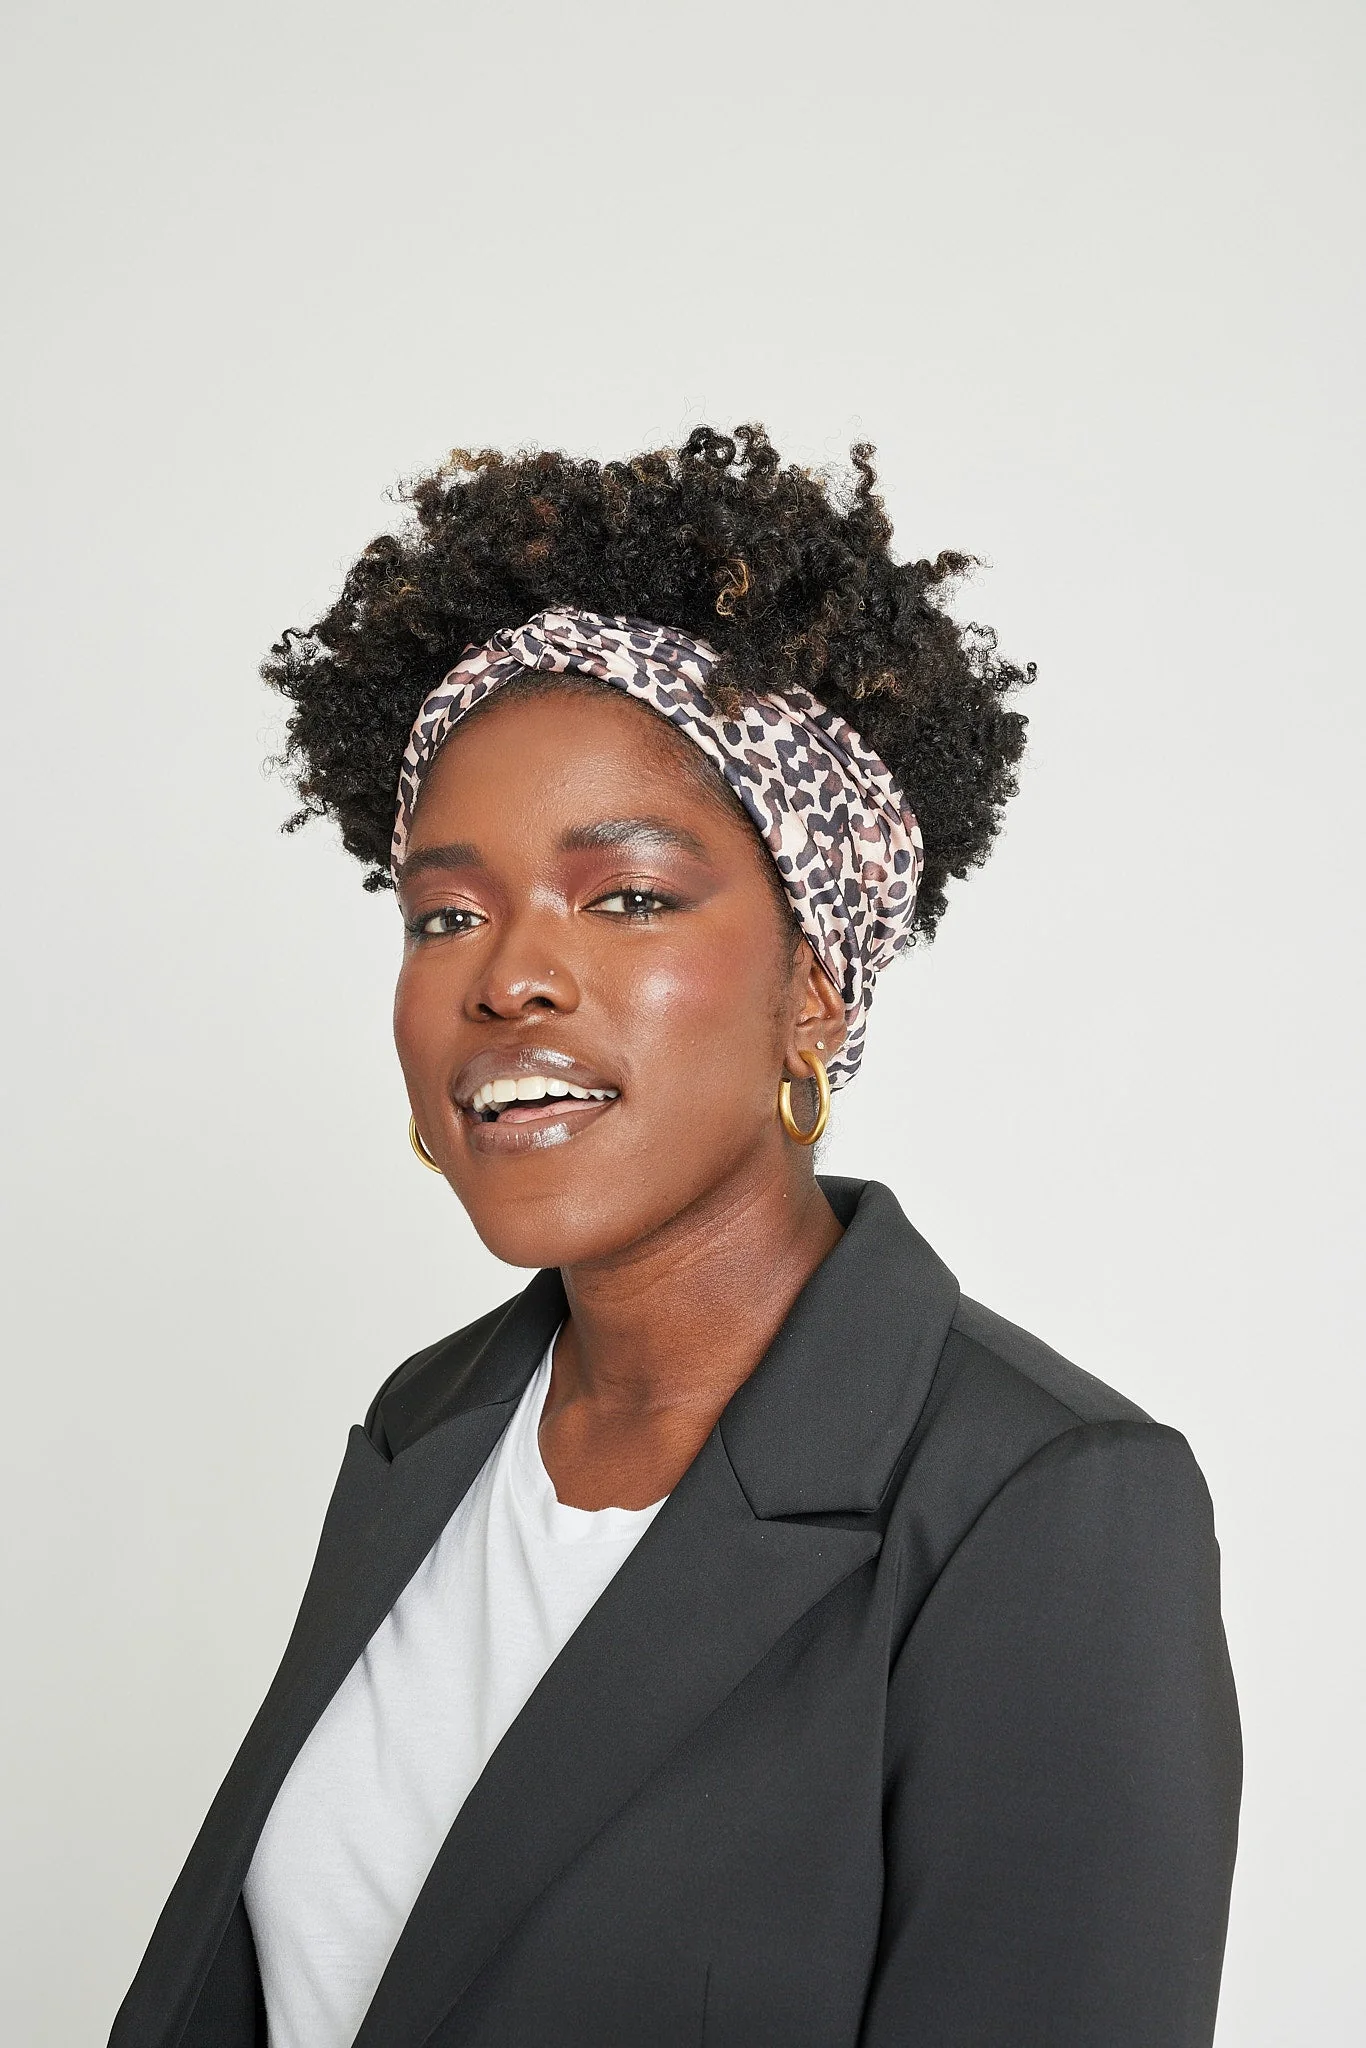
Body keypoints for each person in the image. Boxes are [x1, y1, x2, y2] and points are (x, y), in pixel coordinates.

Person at [110, 425, 1241, 2048]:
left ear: (814, 989)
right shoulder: (433, 1426)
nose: (506, 976)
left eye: (628, 897)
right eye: (445, 914)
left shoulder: (1040, 1507)